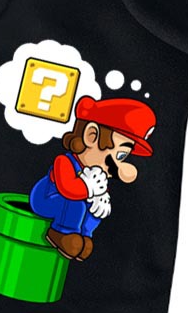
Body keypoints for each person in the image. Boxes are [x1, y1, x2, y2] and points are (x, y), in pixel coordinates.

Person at [29, 95, 156, 261]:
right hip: (46, 199)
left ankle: (84, 235)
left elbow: (96, 194)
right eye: (119, 154)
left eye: (123, 156)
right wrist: (88, 188)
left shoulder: (97, 175)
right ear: (91, 135)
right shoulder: (65, 162)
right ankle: (62, 232)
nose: (119, 164)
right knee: (77, 205)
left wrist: (100, 199)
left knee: (94, 211)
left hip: (72, 204)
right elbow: (67, 189)